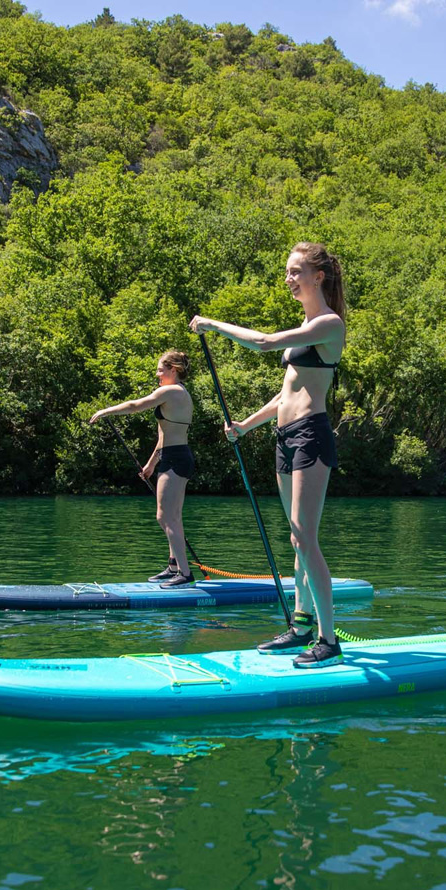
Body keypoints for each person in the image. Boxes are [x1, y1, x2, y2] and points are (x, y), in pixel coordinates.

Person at [189, 242, 345, 667]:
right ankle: (300, 627)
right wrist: (245, 425)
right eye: (288, 272)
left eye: (296, 271)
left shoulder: (329, 324)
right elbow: (285, 395)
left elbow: (263, 342)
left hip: (312, 436)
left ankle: (329, 641)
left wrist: (212, 325)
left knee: (305, 537)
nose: (289, 278)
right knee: (296, 539)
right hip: (285, 436)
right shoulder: (306, 323)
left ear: (318, 277)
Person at [89, 350, 196, 587]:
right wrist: (151, 463)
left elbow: (137, 405)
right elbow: (163, 435)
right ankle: (173, 566)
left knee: (165, 516)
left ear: (174, 370)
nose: (157, 374)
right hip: (171, 456)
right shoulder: (173, 394)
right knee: (171, 516)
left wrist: (107, 410)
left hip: (177, 458)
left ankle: (185, 574)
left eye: (161, 369)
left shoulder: (171, 391)